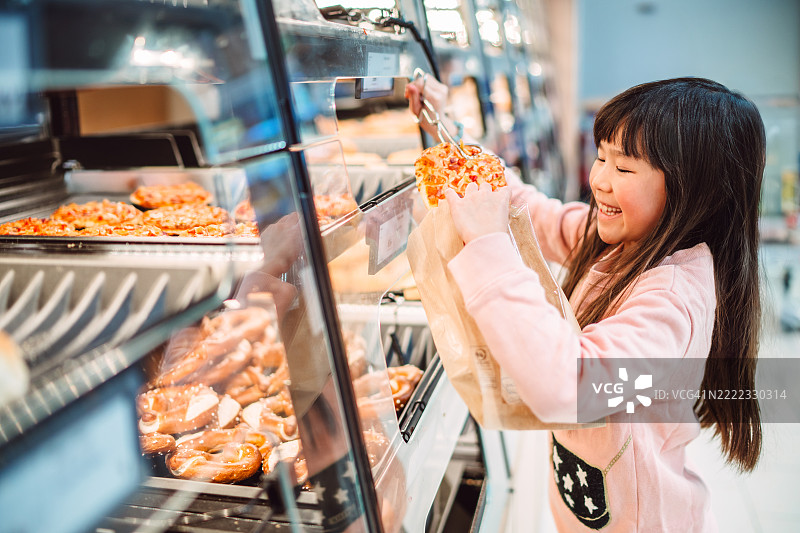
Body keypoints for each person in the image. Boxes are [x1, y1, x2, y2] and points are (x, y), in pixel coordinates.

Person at [406, 76, 765, 532]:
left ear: (695, 191)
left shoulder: (672, 300)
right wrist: (451, 132)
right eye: (600, 157)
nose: (599, 180)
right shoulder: (618, 240)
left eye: (625, 168)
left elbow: (569, 386)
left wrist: (489, 243)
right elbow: (532, 210)